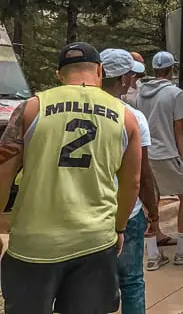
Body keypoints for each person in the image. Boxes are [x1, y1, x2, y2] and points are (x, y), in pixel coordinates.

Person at [0, 42, 142, 314]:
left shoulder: (31, 108)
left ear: (58, 75)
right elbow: (131, 183)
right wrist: (119, 227)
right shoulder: (127, 118)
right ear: (99, 70)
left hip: (34, 243)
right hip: (94, 242)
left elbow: (3, 172)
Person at [100, 48, 161, 314]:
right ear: (124, 79)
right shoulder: (133, 117)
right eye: (133, 77)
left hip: (89, 211)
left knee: (92, 284)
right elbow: (141, 175)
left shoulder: (73, 111)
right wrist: (153, 211)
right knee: (132, 281)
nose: (134, 82)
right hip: (127, 214)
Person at [138, 50, 183, 268]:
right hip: (167, 153)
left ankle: (152, 255)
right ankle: (182, 250)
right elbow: (179, 128)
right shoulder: (175, 93)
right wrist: (182, 156)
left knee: (150, 199)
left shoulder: (141, 92)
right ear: (172, 69)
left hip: (146, 153)